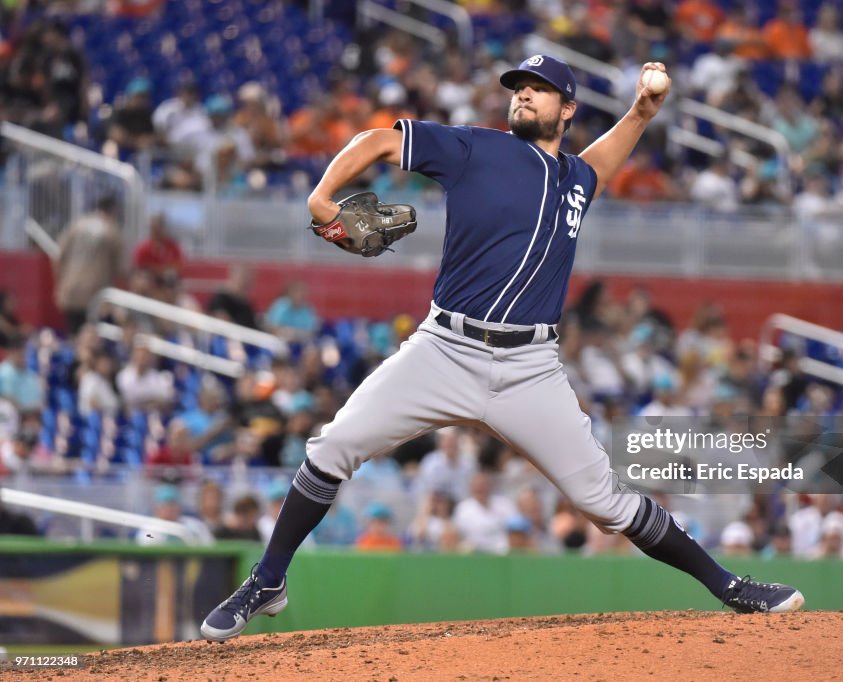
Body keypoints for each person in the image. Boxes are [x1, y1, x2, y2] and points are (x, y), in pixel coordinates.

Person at [201, 55, 803, 643]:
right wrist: (322, 198)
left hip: (529, 369)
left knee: (606, 502)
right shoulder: (474, 149)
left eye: (539, 88)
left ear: (567, 108)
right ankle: (268, 579)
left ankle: (729, 587)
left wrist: (642, 113)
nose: (523, 94)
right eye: (519, 86)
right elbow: (377, 142)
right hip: (443, 350)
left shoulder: (575, 179)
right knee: (334, 446)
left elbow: (599, 163)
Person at [53, 195, 124, 335]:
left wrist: (59, 285)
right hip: (95, 293)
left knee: (73, 333)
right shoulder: (111, 230)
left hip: (71, 289)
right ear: (114, 210)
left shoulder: (76, 225)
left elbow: (58, 256)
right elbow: (121, 268)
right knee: (93, 336)